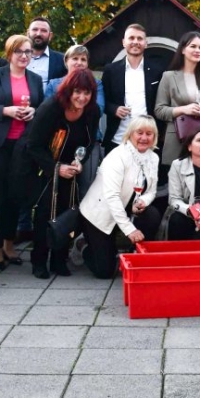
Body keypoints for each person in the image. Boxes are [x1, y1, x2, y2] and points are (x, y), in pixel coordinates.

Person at [0, 34, 44, 270]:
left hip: (21, 145)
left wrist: (33, 112)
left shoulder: (34, 79)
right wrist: (6, 110)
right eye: (18, 51)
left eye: (27, 51)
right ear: (9, 53)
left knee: (16, 195)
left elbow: (40, 107)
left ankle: (9, 243)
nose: (24, 56)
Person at [25, 69, 101, 279]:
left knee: (67, 214)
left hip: (72, 169)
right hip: (46, 167)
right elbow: (33, 145)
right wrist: (56, 168)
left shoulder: (92, 111)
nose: (82, 98)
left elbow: (89, 142)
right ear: (69, 91)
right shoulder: (50, 108)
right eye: (78, 92)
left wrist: (80, 163)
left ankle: (60, 259)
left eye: (87, 93)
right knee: (44, 214)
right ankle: (39, 260)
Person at [78, 115, 162, 278]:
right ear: (130, 134)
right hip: (101, 213)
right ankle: (82, 245)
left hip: (128, 208)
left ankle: (135, 254)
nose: (144, 137)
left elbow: (151, 190)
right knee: (105, 272)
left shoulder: (153, 157)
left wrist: (143, 201)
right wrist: (130, 230)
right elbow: (112, 197)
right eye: (139, 132)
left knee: (152, 215)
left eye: (149, 133)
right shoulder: (118, 156)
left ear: (154, 136)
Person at [154, 31, 200, 173]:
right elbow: (159, 110)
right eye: (193, 46)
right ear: (183, 49)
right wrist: (184, 109)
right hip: (177, 139)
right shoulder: (169, 77)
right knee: (177, 186)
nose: (198, 50)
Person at [102, 23, 166, 153]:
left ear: (146, 43)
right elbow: (102, 99)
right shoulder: (111, 70)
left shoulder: (157, 70)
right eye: (131, 38)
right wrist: (114, 109)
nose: (135, 42)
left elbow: (162, 102)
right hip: (118, 140)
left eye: (139, 38)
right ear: (123, 42)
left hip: (147, 141)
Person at [26, 17, 67, 91]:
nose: (38, 34)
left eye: (43, 31)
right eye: (35, 29)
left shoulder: (62, 60)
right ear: (28, 33)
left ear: (50, 36)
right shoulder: (15, 59)